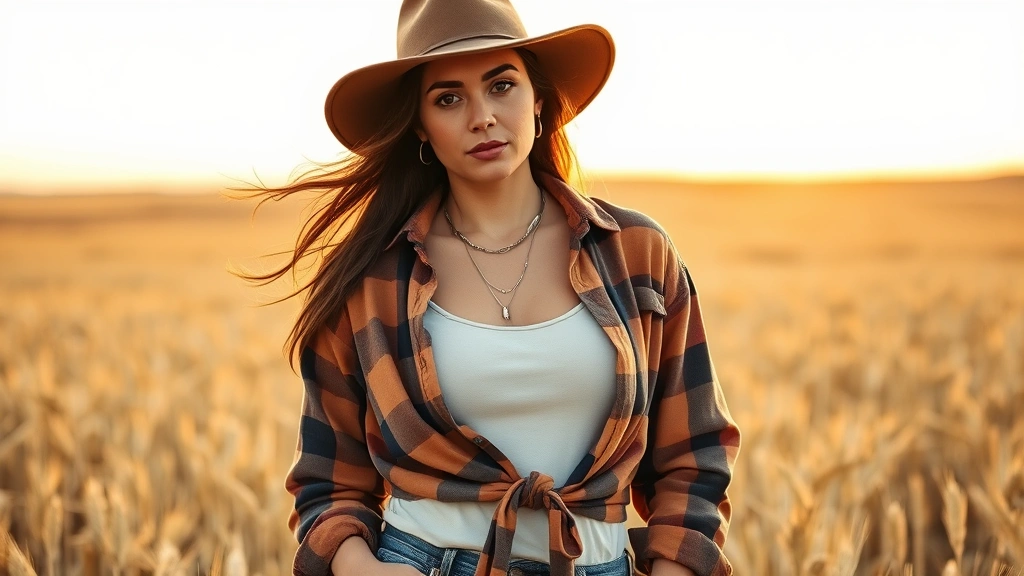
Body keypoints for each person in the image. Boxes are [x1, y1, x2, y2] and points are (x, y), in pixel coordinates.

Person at [247, 1, 741, 575]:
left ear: (539, 100)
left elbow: (694, 456)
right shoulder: (371, 279)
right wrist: (372, 572)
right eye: (448, 98)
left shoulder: (637, 253)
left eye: (502, 85)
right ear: (420, 126)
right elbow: (327, 483)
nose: (481, 116)